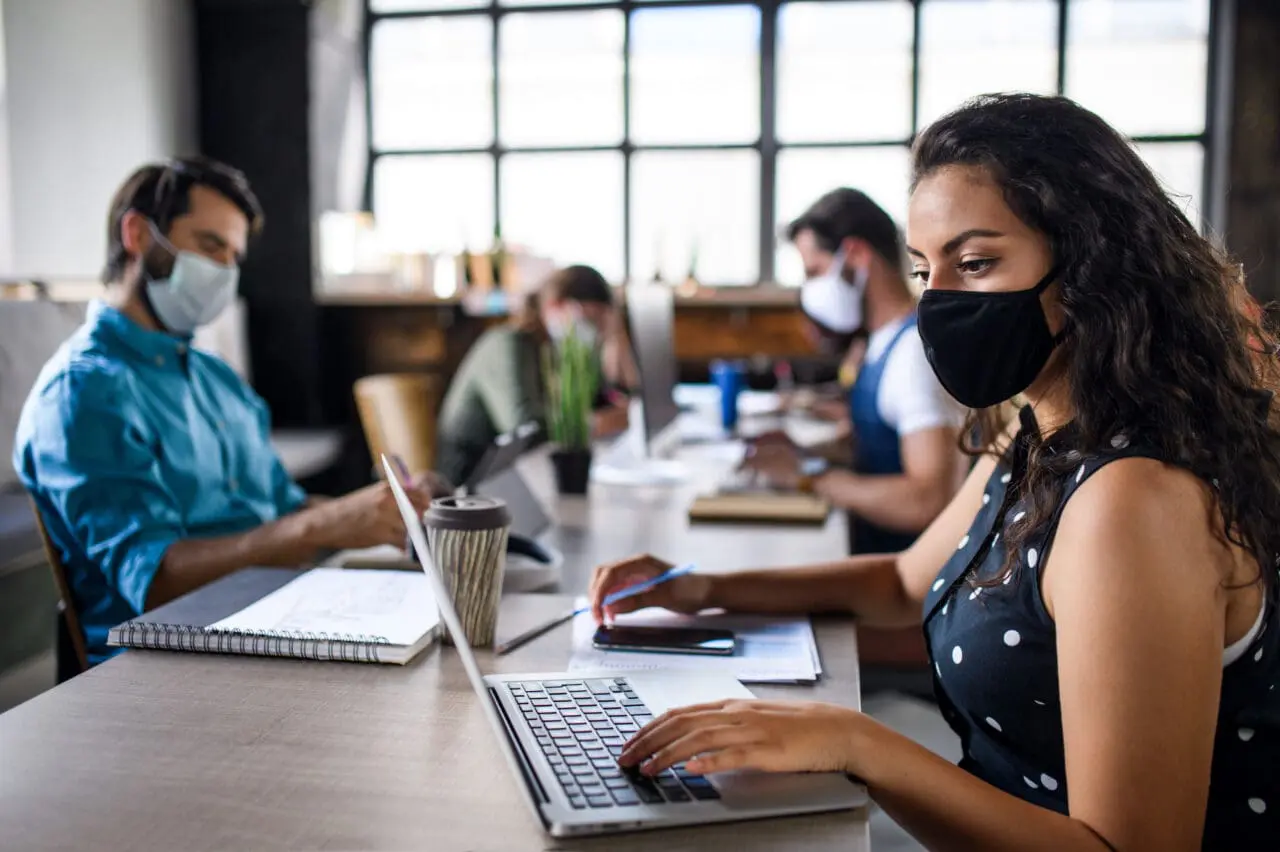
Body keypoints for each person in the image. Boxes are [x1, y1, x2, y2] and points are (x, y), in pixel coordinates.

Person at [590, 94, 1280, 848]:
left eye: (976, 263)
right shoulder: (1034, 435)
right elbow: (901, 583)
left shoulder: (1133, 498)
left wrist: (857, 746)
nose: (941, 302)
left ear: (1090, 266)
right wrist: (702, 590)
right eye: (926, 271)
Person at [13, 158, 444, 666]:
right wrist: (324, 525)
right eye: (210, 245)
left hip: (278, 623)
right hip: (166, 667)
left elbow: (283, 513)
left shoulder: (216, 379)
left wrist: (380, 514)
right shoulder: (83, 393)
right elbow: (154, 584)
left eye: (234, 256)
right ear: (138, 234)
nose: (224, 271)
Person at [754, 188, 968, 556]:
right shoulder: (880, 343)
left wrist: (808, 478)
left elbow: (928, 498)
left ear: (855, 255)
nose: (810, 289)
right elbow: (877, 448)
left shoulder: (914, 354)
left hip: (904, 585)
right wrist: (803, 453)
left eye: (814, 271)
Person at [435, 264, 637, 487]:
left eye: (602, 325)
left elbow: (608, 399)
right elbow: (523, 428)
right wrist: (591, 425)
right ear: (555, 305)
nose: (594, 332)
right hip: (471, 486)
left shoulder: (563, 353)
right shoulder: (507, 345)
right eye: (591, 321)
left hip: (526, 480)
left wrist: (616, 341)